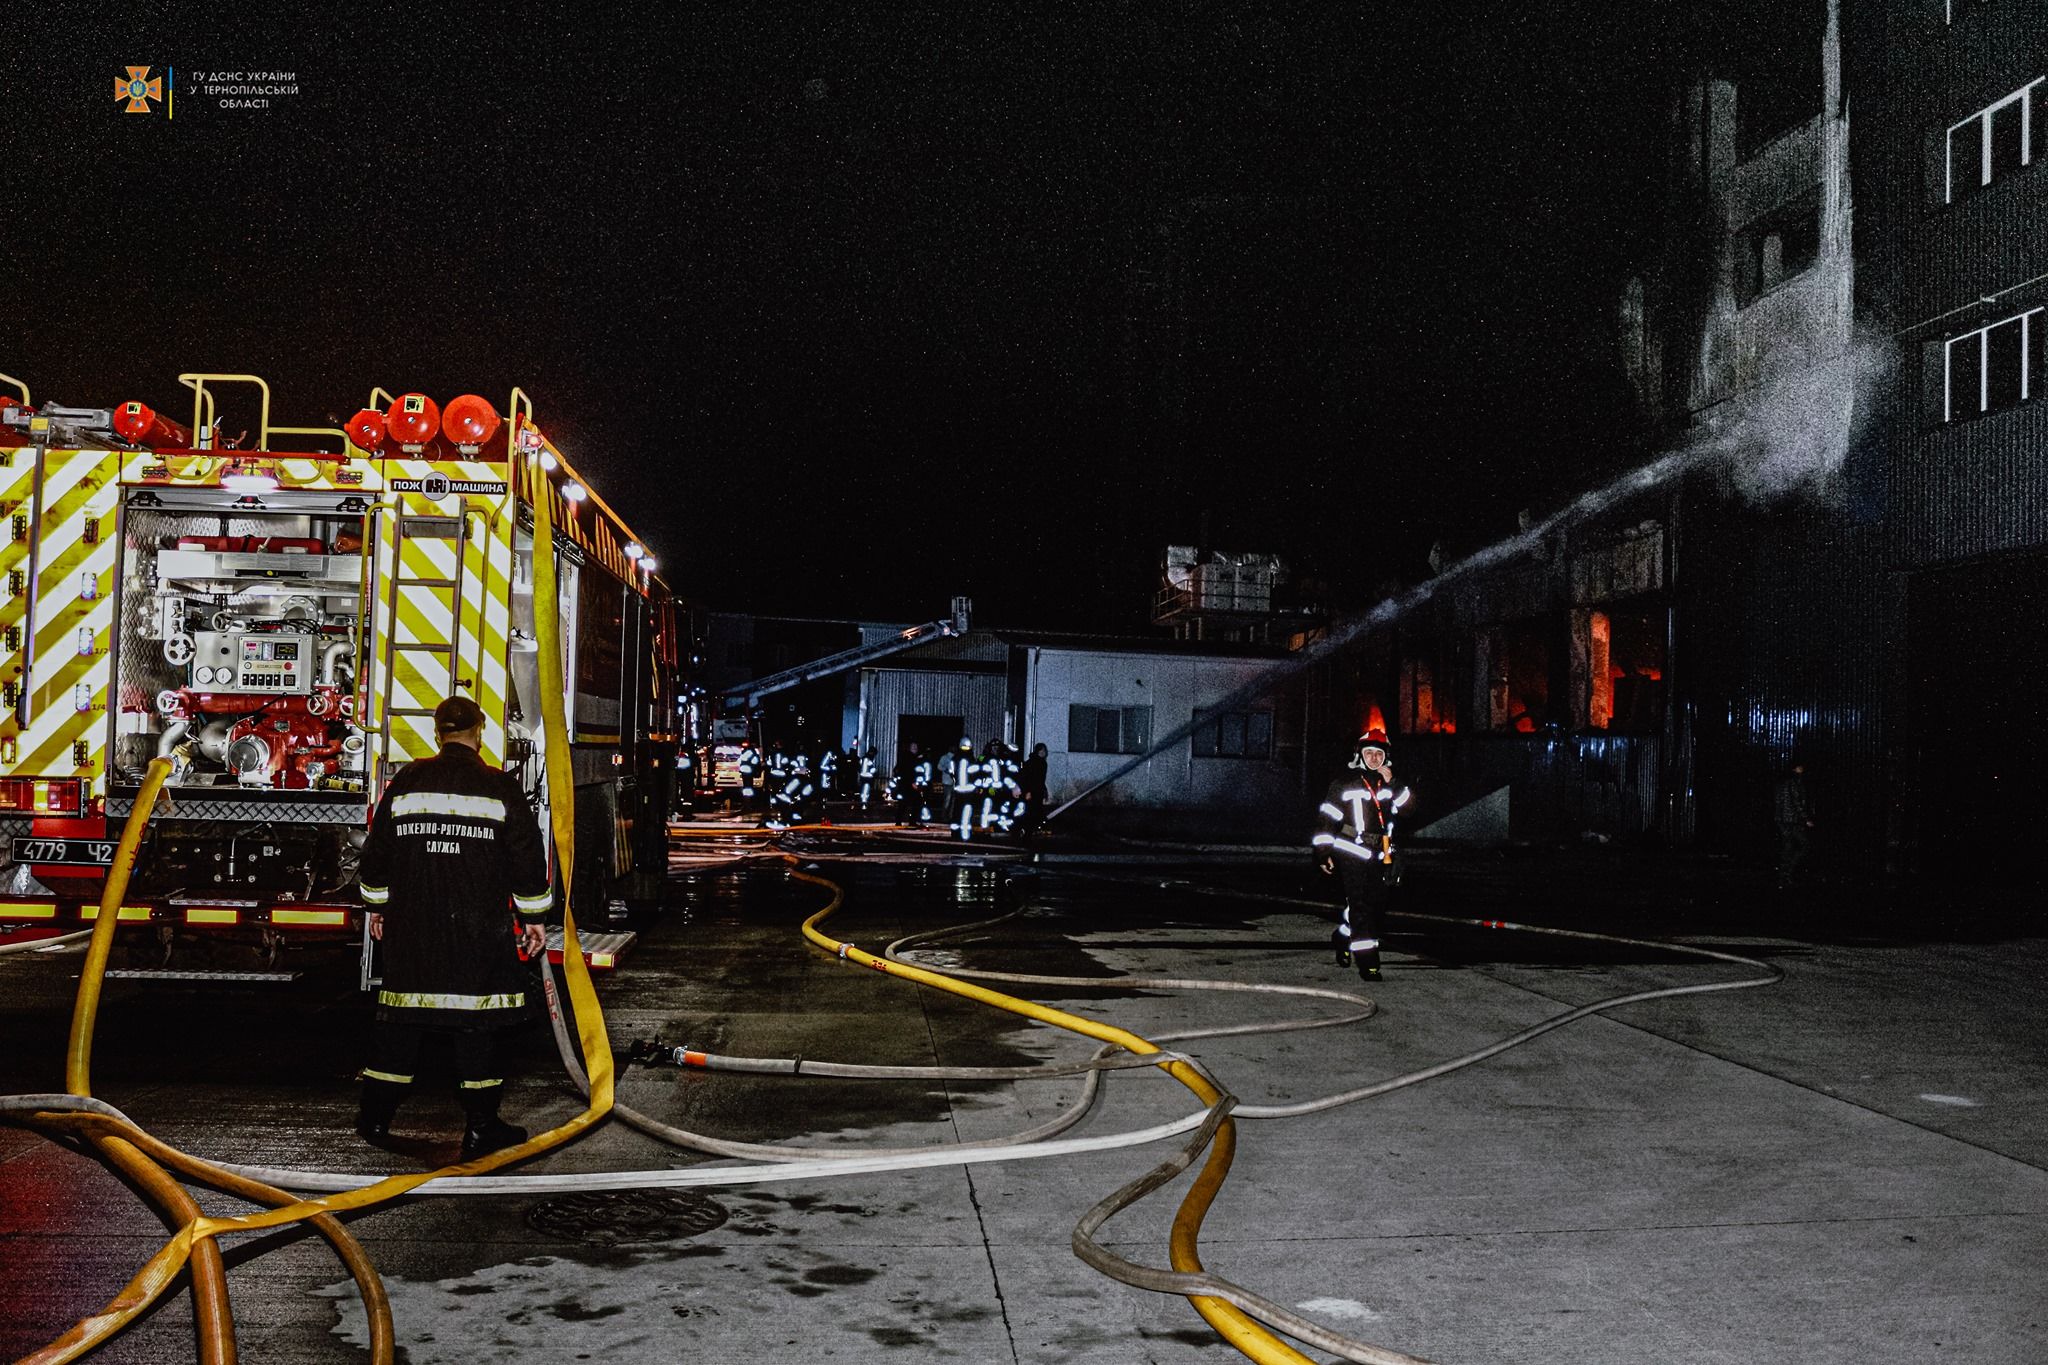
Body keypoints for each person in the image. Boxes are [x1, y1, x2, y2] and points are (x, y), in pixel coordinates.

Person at [356, 696, 552, 1158]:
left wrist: (378, 909)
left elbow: (377, 854)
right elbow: (527, 858)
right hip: (476, 932)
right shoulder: (499, 787)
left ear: (437, 731)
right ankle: (482, 1129)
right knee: (477, 1028)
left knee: (399, 1027)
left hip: (413, 930)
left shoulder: (407, 780)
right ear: (479, 732)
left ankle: (375, 1120)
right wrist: (534, 919)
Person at [1311, 729, 1412, 982]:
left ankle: (1343, 936)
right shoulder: (1343, 784)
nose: (1374, 758)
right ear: (1360, 755)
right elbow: (1327, 819)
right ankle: (1369, 963)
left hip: (1381, 854)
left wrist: (1394, 784)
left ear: (1385, 757)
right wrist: (1323, 852)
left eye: (1379, 754)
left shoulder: (1390, 784)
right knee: (1360, 906)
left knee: (1376, 907)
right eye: (1369, 753)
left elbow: (1410, 810)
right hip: (1350, 851)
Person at [1774, 760, 1814, 888]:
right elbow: (1797, 802)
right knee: (1804, 845)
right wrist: (1806, 819)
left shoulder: (1782, 783)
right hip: (1792, 821)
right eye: (1800, 767)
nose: (1802, 769)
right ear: (1795, 768)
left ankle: (1784, 877)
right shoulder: (1794, 782)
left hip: (1783, 820)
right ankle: (1787, 874)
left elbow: (1779, 802)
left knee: (1788, 848)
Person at [943, 737, 980, 840]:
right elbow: (975, 773)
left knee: (957, 812)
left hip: (959, 790)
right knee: (967, 812)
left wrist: (956, 780)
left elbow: (951, 772)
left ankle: (955, 833)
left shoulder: (955, 758)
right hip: (969, 790)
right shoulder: (971, 759)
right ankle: (966, 833)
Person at [1019, 742, 1049, 834]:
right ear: (1038, 751)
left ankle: (1034, 827)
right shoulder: (1032, 763)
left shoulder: (1042, 763)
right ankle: (1027, 828)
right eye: (1042, 750)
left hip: (1038, 790)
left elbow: (1041, 779)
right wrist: (1027, 791)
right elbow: (1027, 778)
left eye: (1045, 750)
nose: (1044, 752)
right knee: (1031, 810)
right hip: (1032, 790)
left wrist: (1044, 790)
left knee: (1037, 808)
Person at [735, 740, 764, 811]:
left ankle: (746, 804)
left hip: (744, 772)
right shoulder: (753, 753)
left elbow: (739, 761)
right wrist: (758, 770)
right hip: (749, 772)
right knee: (749, 788)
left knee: (746, 787)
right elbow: (756, 763)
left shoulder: (744, 752)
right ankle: (748, 805)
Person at [858, 745, 880, 815]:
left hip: (863, 779)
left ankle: (863, 806)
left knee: (863, 793)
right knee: (865, 793)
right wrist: (875, 772)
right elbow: (872, 770)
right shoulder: (868, 760)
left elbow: (859, 769)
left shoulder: (862, 759)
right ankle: (864, 807)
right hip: (867, 779)